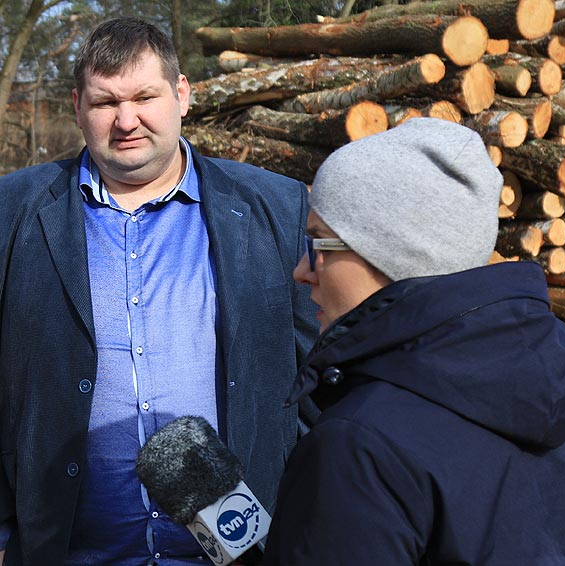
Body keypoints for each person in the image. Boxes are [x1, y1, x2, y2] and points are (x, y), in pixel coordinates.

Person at [0, 17, 318, 566]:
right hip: (67, 550)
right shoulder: (12, 211)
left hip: (242, 550)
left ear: (182, 95)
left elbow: (317, 375)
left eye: (145, 96)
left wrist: (309, 517)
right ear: (77, 106)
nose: (127, 121)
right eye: (105, 103)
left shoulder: (275, 208)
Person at [263, 117, 565, 565]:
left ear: (388, 251)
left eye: (318, 245)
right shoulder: (554, 379)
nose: (302, 271)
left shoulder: (359, 447)